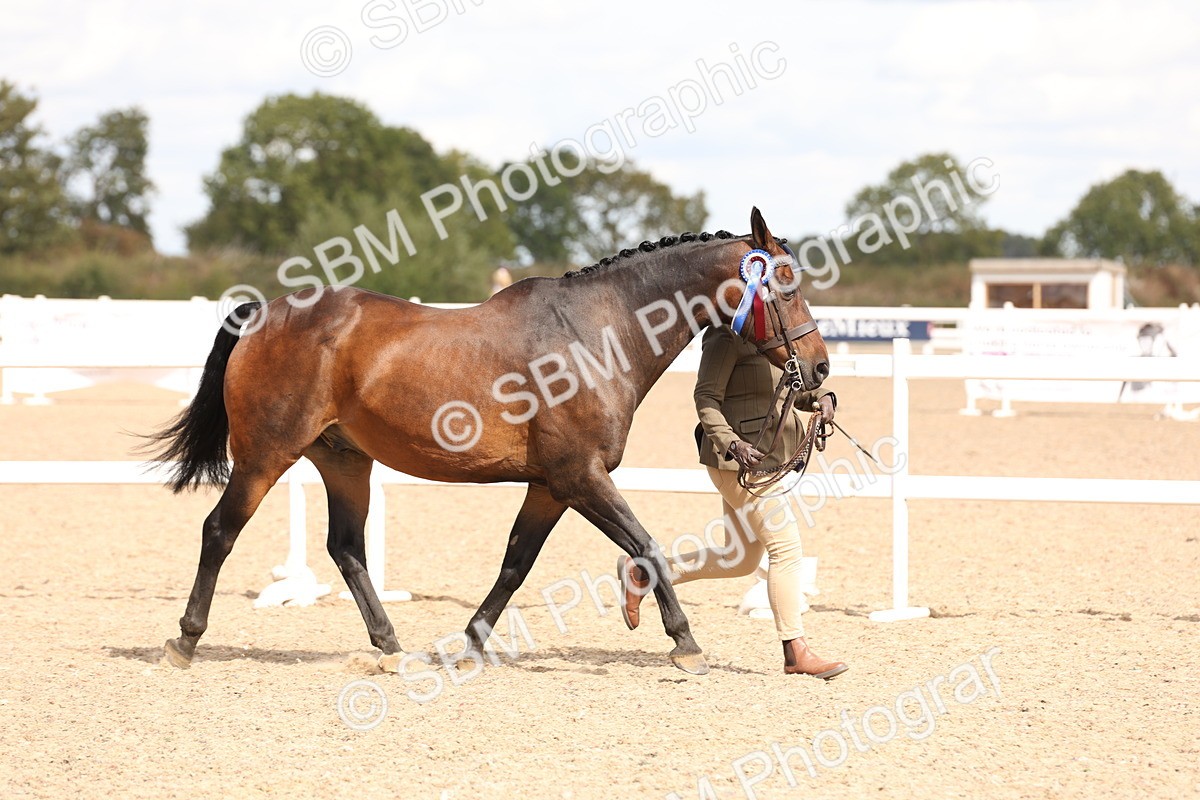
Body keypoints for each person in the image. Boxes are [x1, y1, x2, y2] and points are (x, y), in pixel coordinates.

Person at [618, 324, 848, 679]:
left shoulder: (774, 338)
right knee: (786, 551)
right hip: (737, 464)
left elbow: (791, 389)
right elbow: (705, 399)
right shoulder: (726, 338)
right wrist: (732, 444)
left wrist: (823, 397)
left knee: (738, 558)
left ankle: (645, 574)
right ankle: (795, 651)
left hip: (766, 458)